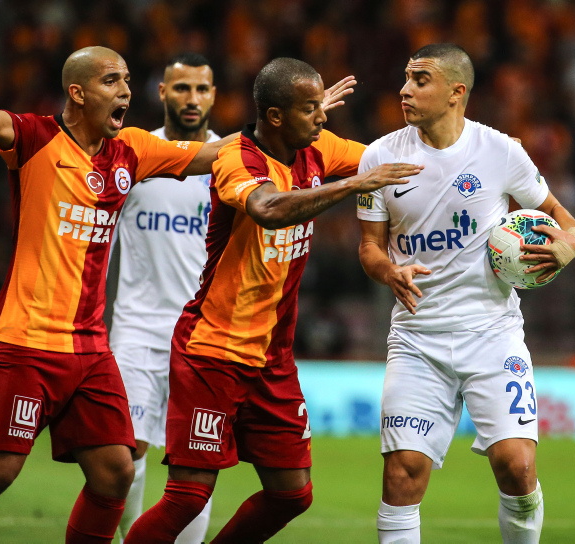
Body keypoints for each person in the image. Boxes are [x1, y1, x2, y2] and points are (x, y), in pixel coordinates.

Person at [0, 41, 229, 544]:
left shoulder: (132, 150)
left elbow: (208, 154)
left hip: (90, 348)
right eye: (111, 81)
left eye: (126, 80)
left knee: (115, 470)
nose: (125, 91)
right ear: (77, 92)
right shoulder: (37, 138)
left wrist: (282, 134)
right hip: (27, 339)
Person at [124, 57, 423, 544]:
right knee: (188, 495)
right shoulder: (236, 158)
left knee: (292, 493)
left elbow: (389, 161)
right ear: (276, 116)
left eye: (319, 106)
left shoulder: (318, 148)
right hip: (214, 350)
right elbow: (266, 208)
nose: (323, 117)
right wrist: (350, 185)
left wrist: (480, 153)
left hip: (271, 358)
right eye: (310, 109)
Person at [356, 44, 575, 544]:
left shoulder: (500, 151)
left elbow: (563, 220)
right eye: (406, 78)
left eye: (420, 80)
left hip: (492, 334)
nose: (404, 90)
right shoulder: (380, 156)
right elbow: (370, 246)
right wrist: (389, 271)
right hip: (417, 339)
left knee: (518, 466)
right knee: (402, 474)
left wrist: (568, 246)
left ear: (456, 92)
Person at [108, 52, 220, 544]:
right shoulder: (134, 154)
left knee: (196, 461)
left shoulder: (231, 162)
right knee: (124, 453)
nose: (191, 99)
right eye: (181, 88)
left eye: (201, 89)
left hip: (204, 336)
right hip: (137, 329)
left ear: (213, 95)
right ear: (162, 93)